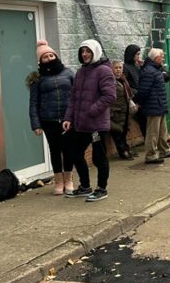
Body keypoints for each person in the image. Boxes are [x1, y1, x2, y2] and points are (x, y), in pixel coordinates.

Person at [62, 40, 116, 202]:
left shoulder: (104, 71)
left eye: (88, 51)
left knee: (99, 158)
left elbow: (109, 96)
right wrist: (68, 118)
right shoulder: (81, 72)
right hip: (80, 123)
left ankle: (101, 189)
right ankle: (85, 186)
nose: (85, 54)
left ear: (95, 52)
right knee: (74, 152)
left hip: (96, 125)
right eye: (82, 51)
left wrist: (91, 111)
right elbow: (73, 98)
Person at [27, 41, 75, 195]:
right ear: (40, 61)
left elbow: (77, 96)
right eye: (45, 57)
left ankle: (69, 180)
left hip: (68, 119)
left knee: (68, 150)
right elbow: (33, 102)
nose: (48, 58)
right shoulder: (38, 79)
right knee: (54, 151)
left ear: (56, 56)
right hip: (49, 121)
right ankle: (59, 182)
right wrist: (36, 124)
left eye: (51, 55)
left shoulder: (68, 73)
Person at [137, 48, 170, 164]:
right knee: (153, 132)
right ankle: (151, 155)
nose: (163, 58)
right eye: (162, 56)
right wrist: (140, 103)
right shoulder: (150, 71)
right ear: (156, 58)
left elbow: (166, 77)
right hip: (153, 106)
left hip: (159, 105)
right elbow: (144, 90)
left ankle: (164, 150)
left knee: (162, 131)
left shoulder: (155, 69)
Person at [110, 60, 137, 160]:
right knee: (118, 133)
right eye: (116, 68)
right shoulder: (110, 81)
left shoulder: (123, 79)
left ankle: (126, 149)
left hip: (124, 111)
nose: (118, 70)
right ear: (112, 69)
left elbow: (128, 93)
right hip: (116, 111)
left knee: (124, 131)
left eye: (120, 68)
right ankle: (123, 152)